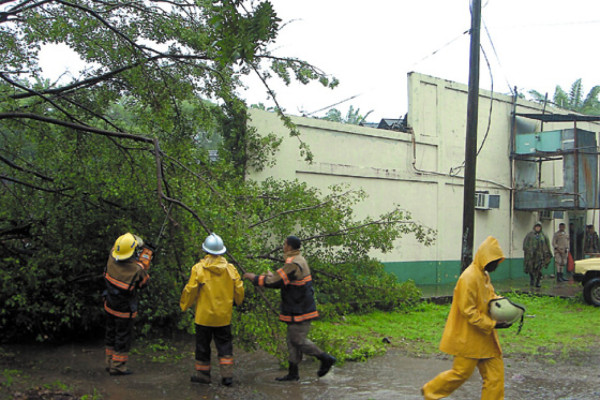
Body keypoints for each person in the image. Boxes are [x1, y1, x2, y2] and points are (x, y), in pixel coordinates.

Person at [421, 236, 507, 400]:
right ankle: (430, 391)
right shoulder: (468, 277)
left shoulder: (484, 276)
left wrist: (506, 308)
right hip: (468, 338)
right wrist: (492, 324)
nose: (496, 265)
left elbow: (490, 298)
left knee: (495, 377)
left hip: (486, 339)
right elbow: (468, 311)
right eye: (494, 261)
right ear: (485, 258)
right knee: (461, 373)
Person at [242, 235, 336, 381]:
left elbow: (274, 282)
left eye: (285, 244)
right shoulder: (296, 260)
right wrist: (272, 276)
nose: (283, 246)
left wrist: (253, 277)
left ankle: (325, 358)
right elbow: (283, 280)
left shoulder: (294, 263)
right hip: (296, 306)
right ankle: (293, 373)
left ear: (289, 247)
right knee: (291, 340)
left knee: (297, 340)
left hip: (300, 308)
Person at [180, 233, 244, 386]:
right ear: (222, 251)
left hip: (203, 317)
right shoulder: (230, 269)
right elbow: (239, 289)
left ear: (206, 251)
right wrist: (238, 302)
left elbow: (191, 289)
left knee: (202, 347)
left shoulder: (198, 269)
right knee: (225, 346)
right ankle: (227, 376)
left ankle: (203, 376)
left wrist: (184, 305)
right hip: (223, 317)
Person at [103, 232, 150, 375]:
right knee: (122, 337)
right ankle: (118, 366)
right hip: (124, 310)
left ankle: (109, 361)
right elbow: (143, 282)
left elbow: (126, 258)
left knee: (110, 333)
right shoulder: (136, 271)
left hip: (109, 304)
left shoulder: (111, 258)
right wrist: (146, 259)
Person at [523, 222, 552, 288]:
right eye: (536, 227)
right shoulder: (530, 235)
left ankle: (538, 281)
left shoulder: (543, 235)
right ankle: (532, 279)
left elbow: (547, 245)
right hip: (531, 255)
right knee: (531, 268)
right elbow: (525, 244)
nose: (538, 228)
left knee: (539, 269)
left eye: (539, 227)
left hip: (540, 255)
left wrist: (548, 254)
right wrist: (528, 251)